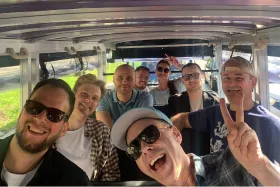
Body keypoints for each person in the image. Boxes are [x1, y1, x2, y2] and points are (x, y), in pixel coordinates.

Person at [111, 100, 280, 187]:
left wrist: (260, 167)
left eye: (150, 134)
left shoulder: (234, 163)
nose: (144, 148)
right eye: (134, 149)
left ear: (176, 134)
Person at [171, 56, 280, 164]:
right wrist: (168, 141)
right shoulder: (214, 113)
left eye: (239, 78)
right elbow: (182, 118)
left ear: (253, 82)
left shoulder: (270, 123)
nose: (232, 84)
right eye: (227, 78)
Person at [0, 79, 90, 187]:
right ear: (22, 111)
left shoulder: (75, 182)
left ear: (64, 129)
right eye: (34, 107)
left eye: (55, 115)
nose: (40, 118)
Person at [56, 74, 120, 181]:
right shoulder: (54, 124)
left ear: (97, 104)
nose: (88, 100)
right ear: (73, 95)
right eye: (84, 94)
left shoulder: (101, 131)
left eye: (94, 98)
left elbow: (111, 171)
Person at [96, 64, 153, 128]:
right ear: (113, 80)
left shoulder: (145, 97)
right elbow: (105, 129)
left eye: (129, 78)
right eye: (120, 78)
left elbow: (143, 126)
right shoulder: (104, 97)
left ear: (134, 81)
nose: (124, 82)